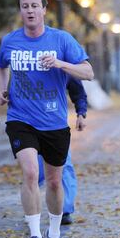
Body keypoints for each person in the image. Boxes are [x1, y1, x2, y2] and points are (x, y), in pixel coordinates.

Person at [0, 0, 94, 238]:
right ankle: (35, 237)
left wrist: (61, 63)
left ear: (43, 10)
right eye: (24, 5)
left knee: (53, 181)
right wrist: (3, 89)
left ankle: (54, 235)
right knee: (29, 172)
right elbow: (0, 65)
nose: (29, 10)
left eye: (34, 5)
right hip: (20, 119)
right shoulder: (10, 42)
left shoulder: (61, 39)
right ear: (20, 11)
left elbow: (88, 72)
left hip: (53, 122)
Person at [38, 76, 88, 225]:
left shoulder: (61, 60)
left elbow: (78, 90)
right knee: (35, 172)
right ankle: (32, 210)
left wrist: (81, 113)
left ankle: (64, 210)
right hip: (28, 125)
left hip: (55, 126)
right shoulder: (26, 58)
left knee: (63, 168)